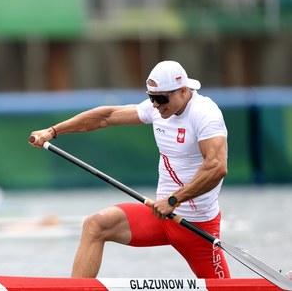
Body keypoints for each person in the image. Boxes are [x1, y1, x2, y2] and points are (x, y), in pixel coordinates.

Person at [29, 60, 231, 279]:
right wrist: (53, 130)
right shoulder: (157, 108)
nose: (155, 104)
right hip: (160, 216)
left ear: (183, 91)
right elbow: (106, 117)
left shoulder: (204, 114)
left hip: (196, 226)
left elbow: (216, 167)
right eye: (151, 97)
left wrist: (173, 200)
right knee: (95, 225)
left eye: (161, 98)